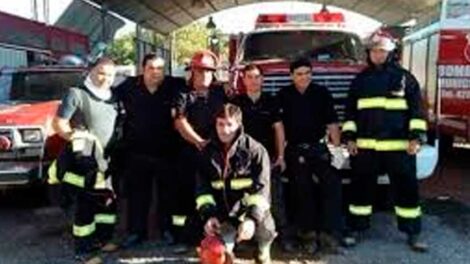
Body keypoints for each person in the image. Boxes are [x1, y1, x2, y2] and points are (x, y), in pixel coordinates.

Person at [342, 32, 428, 252]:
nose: (377, 54)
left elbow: (417, 111)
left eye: (382, 50)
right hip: (366, 147)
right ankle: (355, 229)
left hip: (399, 148)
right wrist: (350, 137)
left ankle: (413, 233)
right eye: (374, 51)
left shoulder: (405, 78)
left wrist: (416, 137)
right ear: (368, 53)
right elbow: (350, 112)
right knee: (360, 190)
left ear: (391, 53)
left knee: (406, 190)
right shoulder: (360, 80)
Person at [50, 57, 119, 263]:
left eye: (110, 74)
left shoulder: (113, 97)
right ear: (90, 71)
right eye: (101, 73)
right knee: (85, 205)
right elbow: (58, 124)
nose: (105, 78)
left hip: (107, 160)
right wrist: (75, 138)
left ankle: (103, 240)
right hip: (84, 161)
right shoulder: (76, 94)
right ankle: (84, 250)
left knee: (107, 201)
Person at [115, 54, 185, 248]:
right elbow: (106, 96)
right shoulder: (128, 87)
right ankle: (136, 233)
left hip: (167, 152)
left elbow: (196, 84)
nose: (156, 72)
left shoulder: (173, 85)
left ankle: (167, 230)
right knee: (138, 196)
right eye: (151, 68)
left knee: (167, 195)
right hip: (137, 152)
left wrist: (225, 88)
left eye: (160, 68)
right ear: (142, 68)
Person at [277, 57, 343, 254]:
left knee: (332, 185)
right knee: (302, 189)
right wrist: (280, 155)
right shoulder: (284, 95)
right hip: (295, 149)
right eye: (299, 74)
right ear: (291, 76)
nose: (304, 77)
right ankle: (308, 235)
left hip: (318, 148)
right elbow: (279, 128)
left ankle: (328, 234)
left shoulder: (321, 93)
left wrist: (337, 150)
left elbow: (332, 122)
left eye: (308, 73)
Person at [196, 103, 276, 264]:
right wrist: (209, 215)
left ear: (239, 124)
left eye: (229, 124)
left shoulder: (255, 151)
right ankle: (227, 252)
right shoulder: (207, 152)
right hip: (224, 217)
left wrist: (252, 219)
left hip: (252, 215)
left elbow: (262, 192)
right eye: (220, 124)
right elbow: (202, 191)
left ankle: (262, 251)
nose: (224, 130)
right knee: (213, 252)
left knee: (264, 238)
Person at [171, 50, 227, 250]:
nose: (204, 75)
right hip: (188, 152)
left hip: (214, 154)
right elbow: (180, 121)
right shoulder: (183, 94)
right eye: (199, 71)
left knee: (211, 195)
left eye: (208, 71)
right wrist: (198, 141)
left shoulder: (221, 93)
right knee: (184, 195)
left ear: (214, 73)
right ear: (192, 72)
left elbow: (229, 119)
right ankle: (182, 238)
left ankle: (212, 235)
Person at [230, 64, 290, 250]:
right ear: (243, 79)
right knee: (241, 199)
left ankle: (284, 236)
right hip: (243, 160)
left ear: (262, 80)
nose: (254, 81)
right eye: (249, 77)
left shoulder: (271, 101)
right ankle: (243, 238)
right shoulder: (236, 102)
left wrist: (280, 156)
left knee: (275, 198)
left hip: (268, 158)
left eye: (257, 77)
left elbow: (278, 129)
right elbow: (230, 130)